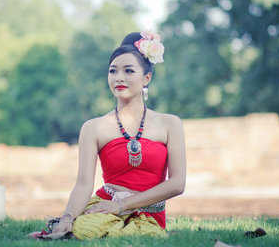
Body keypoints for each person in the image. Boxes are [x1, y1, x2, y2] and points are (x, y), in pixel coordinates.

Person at [41, 31, 186, 240]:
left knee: (145, 237)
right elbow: (83, 184)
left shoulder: (170, 124)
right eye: (113, 71)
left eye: (128, 71)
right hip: (104, 206)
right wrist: (67, 218)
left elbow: (177, 184)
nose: (119, 78)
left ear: (147, 78)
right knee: (85, 230)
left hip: (148, 213)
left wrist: (121, 205)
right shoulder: (93, 127)